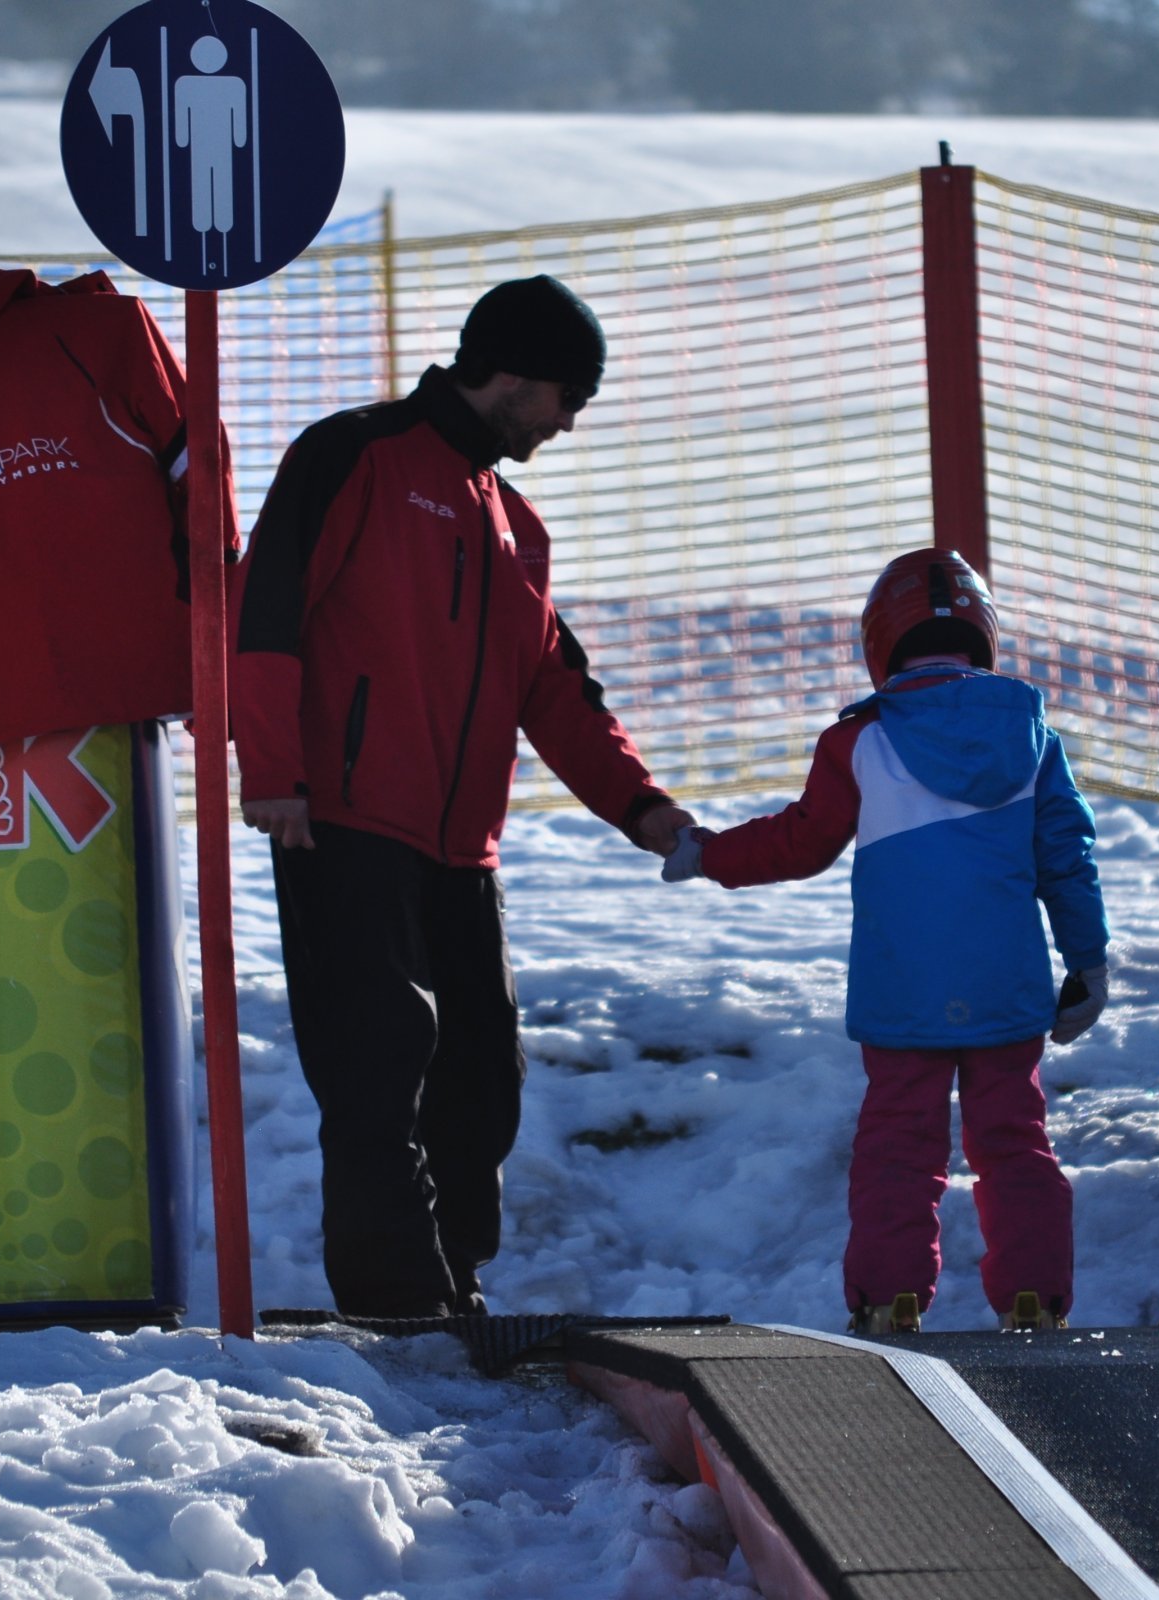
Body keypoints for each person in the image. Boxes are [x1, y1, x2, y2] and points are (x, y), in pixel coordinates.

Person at [230, 275, 695, 1318]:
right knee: (377, 1068)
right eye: (566, 398)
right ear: (513, 375)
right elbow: (261, 614)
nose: (570, 423)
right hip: (340, 821)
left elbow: (559, 691)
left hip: (459, 850)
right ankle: (396, 1303)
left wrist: (645, 810)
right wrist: (272, 774)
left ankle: (455, 1284)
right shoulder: (353, 454)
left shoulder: (514, 523)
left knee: (483, 1077)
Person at [663, 549, 1109, 1333]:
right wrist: (1087, 961)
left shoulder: (858, 740)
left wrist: (710, 854)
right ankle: (1035, 1301)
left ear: (881, 642)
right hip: (1008, 987)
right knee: (1014, 1140)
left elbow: (800, 842)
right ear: (982, 637)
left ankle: (887, 1300)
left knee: (899, 1147)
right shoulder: (1032, 738)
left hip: (903, 988)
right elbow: (1066, 857)